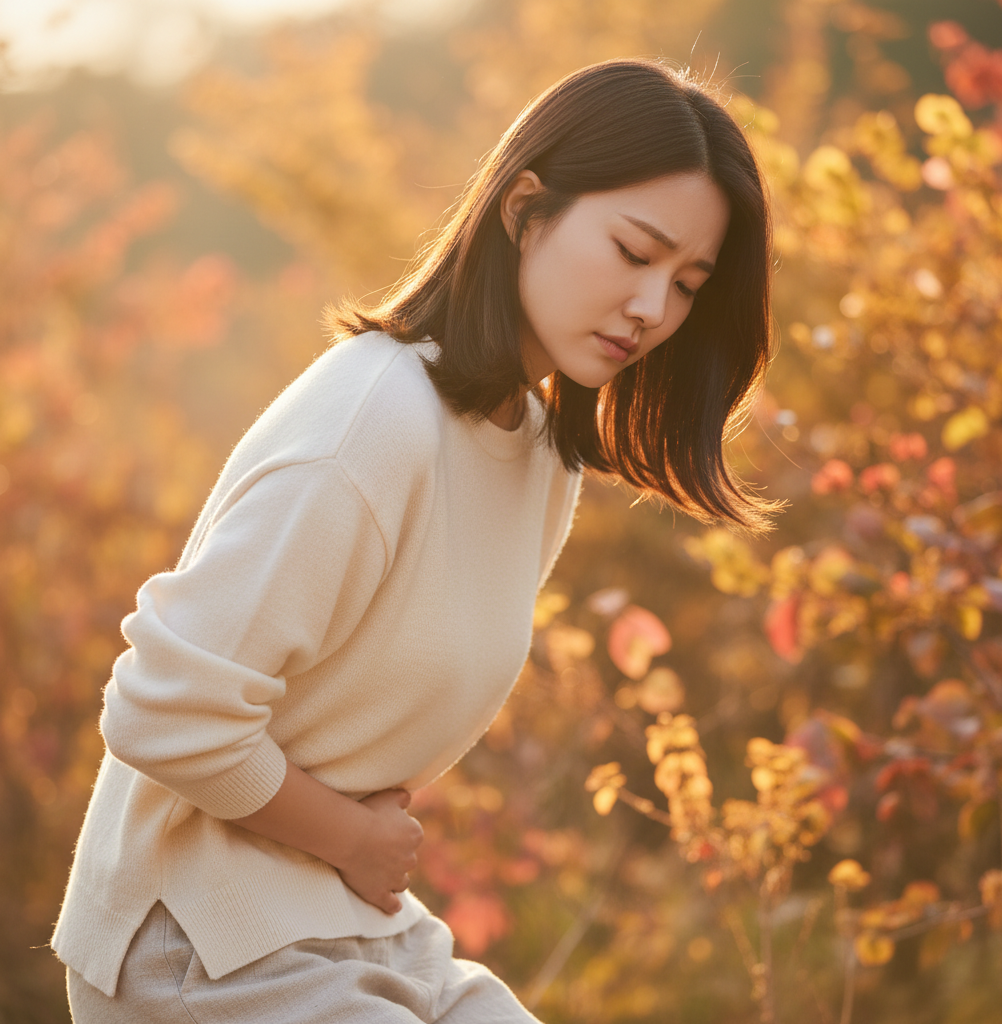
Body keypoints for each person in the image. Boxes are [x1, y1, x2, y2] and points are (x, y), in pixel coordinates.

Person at [53, 56, 776, 1022]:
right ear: (526, 211)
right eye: (634, 253)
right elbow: (160, 712)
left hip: (353, 925)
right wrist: (351, 839)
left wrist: (351, 854)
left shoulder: (538, 455)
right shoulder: (372, 419)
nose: (654, 309)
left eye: (687, 282)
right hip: (196, 944)